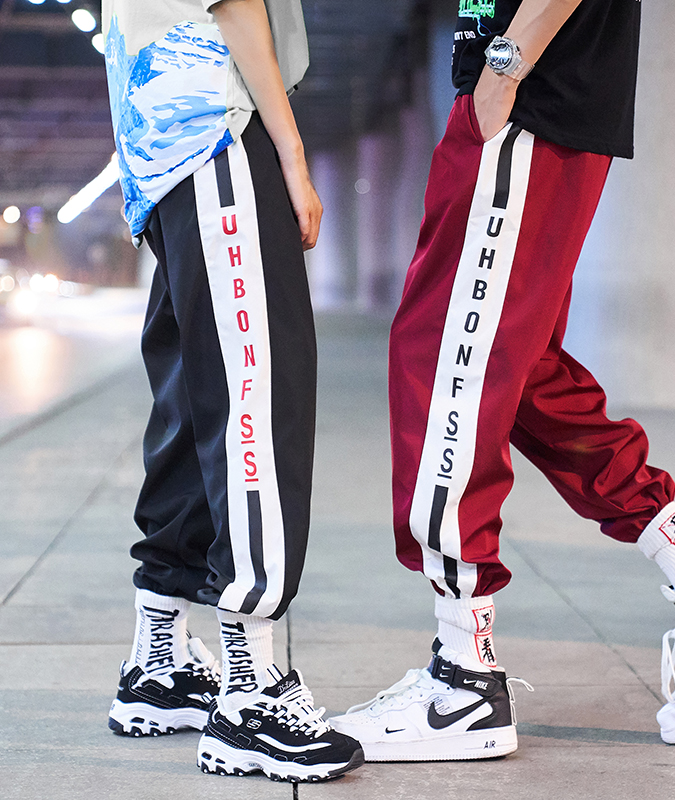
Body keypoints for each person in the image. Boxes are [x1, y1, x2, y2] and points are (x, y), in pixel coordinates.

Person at [328, 0, 675, 760]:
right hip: (528, 101)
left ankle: (464, 683)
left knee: (445, 359)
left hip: (528, 100)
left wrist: (504, 69)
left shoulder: (515, 85)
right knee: (518, 371)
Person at [101, 0, 363, 781]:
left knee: (193, 396)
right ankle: (252, 695)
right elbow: (237, 5)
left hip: (161, 140)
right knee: (257, 388)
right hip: (219, 124)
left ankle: (160, 662)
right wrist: (292, 153)